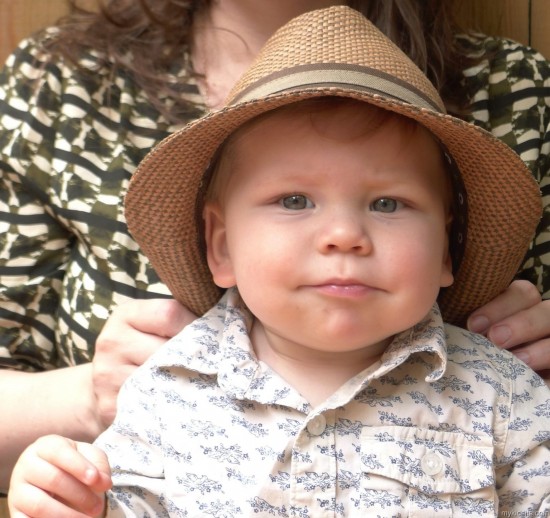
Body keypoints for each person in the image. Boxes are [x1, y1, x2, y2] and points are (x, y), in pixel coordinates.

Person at [8, 7, 550, 517]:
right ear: (220, 247)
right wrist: (83, 501)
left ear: (446, 252)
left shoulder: (505, 396)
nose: (344, 235)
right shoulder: (169, 389)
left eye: (388, 204)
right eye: (294, 201)